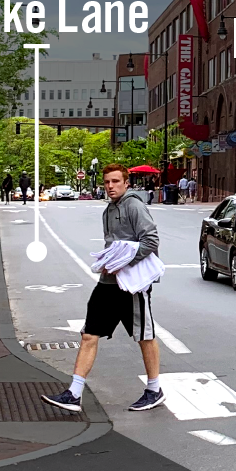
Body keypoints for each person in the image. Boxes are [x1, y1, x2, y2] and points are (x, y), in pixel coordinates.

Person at [42, 163, 165, 414]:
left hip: (131, 286)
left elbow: (151, 240)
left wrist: (121, 262)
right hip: (108, 283)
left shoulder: (134, 206)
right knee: (89, 334)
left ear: (126, 183)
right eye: (107, 182)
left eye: (115, 182)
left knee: (144, 336)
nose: (110, 186)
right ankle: (74, 393)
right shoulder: (108, 209)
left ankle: (154, 390)